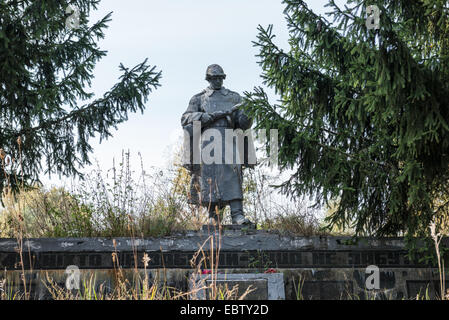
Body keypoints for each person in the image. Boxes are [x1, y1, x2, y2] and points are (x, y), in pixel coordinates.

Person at [181, 64, 255, 226]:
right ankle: (213, 216)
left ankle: (237, 214)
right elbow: (185, 118)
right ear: (208, 79)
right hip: (209, 141)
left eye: (220, 78)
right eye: (214, 78)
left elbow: (243, 124)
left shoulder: (234, 98)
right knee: (210, 179)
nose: (218, 81)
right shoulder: (198, 98)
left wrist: (248, 115)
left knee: (233, 176)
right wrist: (203, 116)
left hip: (229, 140)